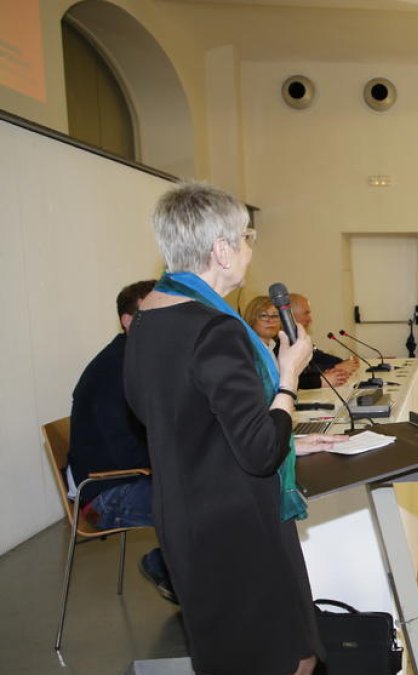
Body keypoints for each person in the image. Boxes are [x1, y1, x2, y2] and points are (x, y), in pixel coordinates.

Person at [124, 183, 346, 675]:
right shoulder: (216, 329)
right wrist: (288, 374)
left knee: (227, 655)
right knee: (290, 656)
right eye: (247, 238)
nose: (250, 250)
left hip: (185, 518)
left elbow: (168, 418)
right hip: (239, 524)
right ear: (221, 251)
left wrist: (291, 435)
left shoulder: (145, 321)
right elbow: (260, 452)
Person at [68, 279, 174, 602]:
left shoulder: (138, 360)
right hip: (104, 495)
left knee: (210, 491)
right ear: (129, 322)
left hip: (129, 479)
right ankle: (167, 566)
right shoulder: (113, 371)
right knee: (200, 501)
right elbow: (128, 452)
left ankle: (185, 575)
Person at [291, 293, 356, 389]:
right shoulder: (280, 344)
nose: (310, 319)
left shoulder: (299, 339)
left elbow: (317, 357)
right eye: (306, 313)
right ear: (290, 316)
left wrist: (342, 363)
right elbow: (300, 376)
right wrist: (335, 369)